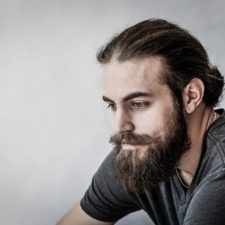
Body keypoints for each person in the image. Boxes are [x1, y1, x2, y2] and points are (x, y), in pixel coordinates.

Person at [57, 19, 225, 225]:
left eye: (138, 104)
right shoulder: (143, 153)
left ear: (190, 96)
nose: (120, 126)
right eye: (112, 105)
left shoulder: (220, 177)